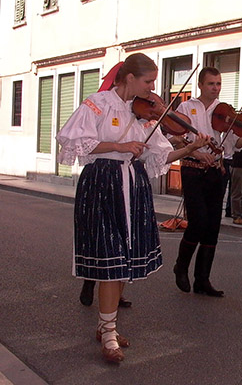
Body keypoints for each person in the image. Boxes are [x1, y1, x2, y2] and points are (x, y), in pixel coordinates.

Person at [56, 53, 210, 363]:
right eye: (148, 82)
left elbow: (158, 157)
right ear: (129, 79)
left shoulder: (145, 116)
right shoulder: (98, 103)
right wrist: (119, 145)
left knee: (122, 259)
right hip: (103, 183)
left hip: (134, 185)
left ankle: (106, 326)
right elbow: (73, 141)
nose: (153, 90)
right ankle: (109, 333)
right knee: (110, 260)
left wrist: (190, 147)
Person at [172, 67, 242, 297]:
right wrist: (195, 150)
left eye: (219, 83)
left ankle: (202, 279)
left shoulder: (226, 112)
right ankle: (181, 266)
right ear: (201, 85)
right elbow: (176, 139)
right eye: (211, 83)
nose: (216, 87)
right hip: (192, 170)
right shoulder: (187, 107)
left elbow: (235, 144)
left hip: (217, 171)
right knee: (198, 221)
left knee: (212, 226)